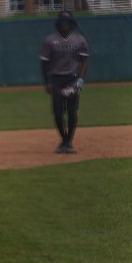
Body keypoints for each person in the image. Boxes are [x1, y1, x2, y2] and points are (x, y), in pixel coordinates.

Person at [40, 9, 90, 154]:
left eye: (67, 22)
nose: (64, 25)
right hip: (56, 78)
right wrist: (47, 82)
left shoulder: (79, 40)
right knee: (57, 112)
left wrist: (80, 79)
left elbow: (84, 60)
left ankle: (68, 141)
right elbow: (44, 63)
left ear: (72, 24)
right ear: (58, 24)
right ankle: (63, 139)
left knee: (72, 112)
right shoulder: (50, 40)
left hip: (73, 78)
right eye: (62, 22)